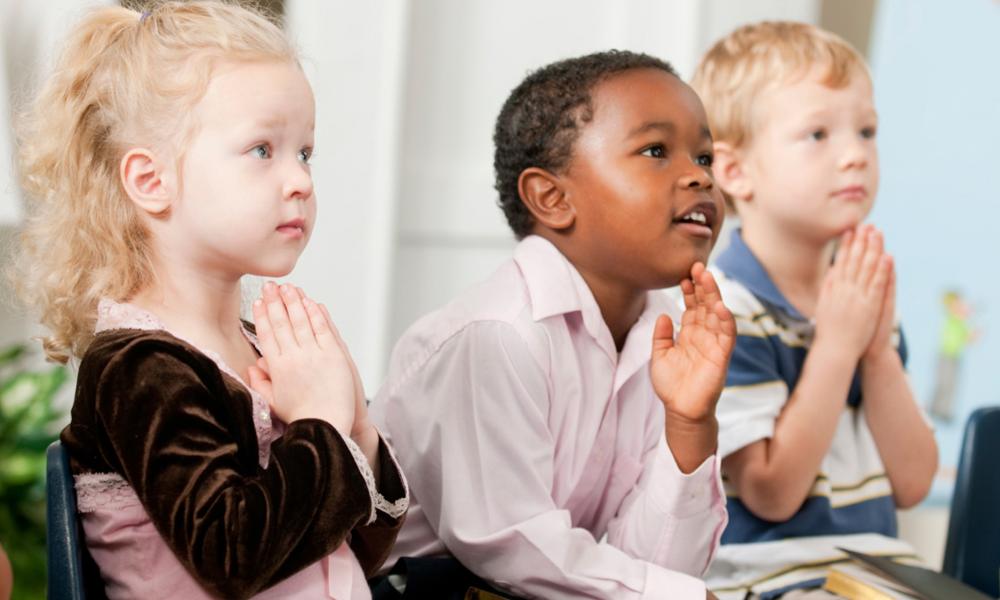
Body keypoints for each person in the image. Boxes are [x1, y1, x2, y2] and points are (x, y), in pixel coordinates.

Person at [12, 3, 407, 598]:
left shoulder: (266, 349)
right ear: (151, 180)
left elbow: (367, 553)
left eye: (304, 152)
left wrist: (357, 429)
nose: (300, 180)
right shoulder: (138, 368)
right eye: (261, 151)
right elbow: (231, 555)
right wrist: (322, 423)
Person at [370, 50, 733, 599]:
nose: (697, 177)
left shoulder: (661, 333)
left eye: (704, 157)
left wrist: (689, 423)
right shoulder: (497, 335)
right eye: (656, 151)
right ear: (552, 197)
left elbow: (650, 566)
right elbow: (508, 548)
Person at [690, 21, 938, 598]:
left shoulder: (858, 297)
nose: (855, 155)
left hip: (879, 573)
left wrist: (876, 353)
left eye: (867, 131)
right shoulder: (726, 311)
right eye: (818, 135)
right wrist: (838, 346)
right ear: (734, 171)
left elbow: (912, 482)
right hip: (768, 578)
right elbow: (773, 492)